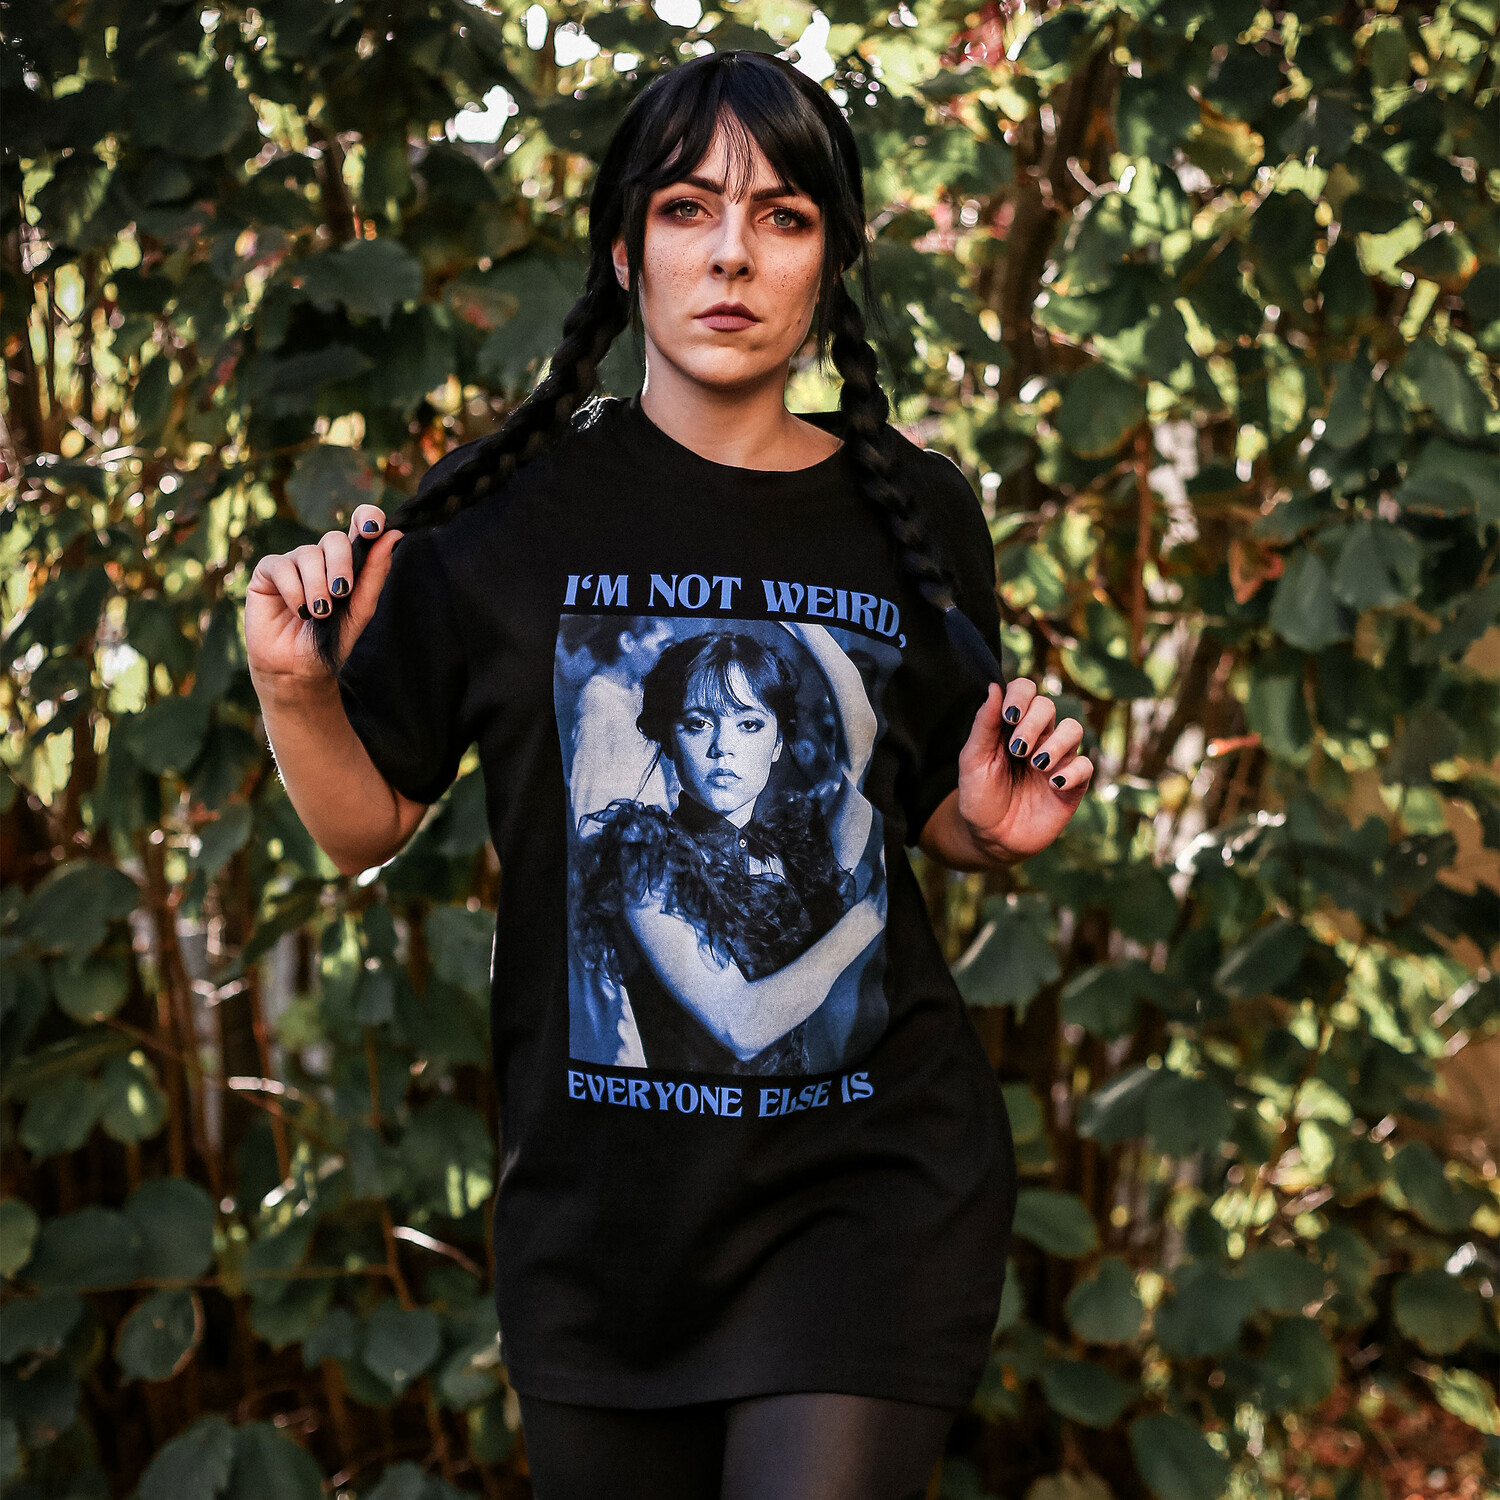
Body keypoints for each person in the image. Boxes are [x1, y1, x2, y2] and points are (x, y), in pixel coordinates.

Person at [246, 47, 1093, 1500]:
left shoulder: (913, 513)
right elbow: (364, 824)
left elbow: (927, 813)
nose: (732, 255)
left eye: (783, 217)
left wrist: (985, 828)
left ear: (830, 261)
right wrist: (292, 687)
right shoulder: (505, 515)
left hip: (868, 1196)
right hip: (605, 1227)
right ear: (626, 248)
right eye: (691, 208)